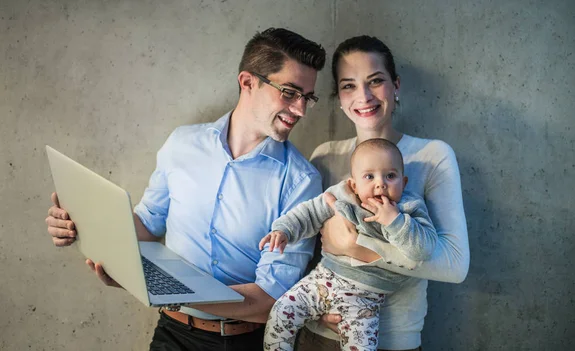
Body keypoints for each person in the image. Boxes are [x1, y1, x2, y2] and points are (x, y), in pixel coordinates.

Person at [44, 28, 327, 351]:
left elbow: (270, 299)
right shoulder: (182, 143)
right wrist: (78, 224)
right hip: (171, 334)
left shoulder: (302, 181)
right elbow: (147, 227)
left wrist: (152, 288)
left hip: (246, 343)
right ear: (247, 82)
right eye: (290, 92)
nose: (301, 109)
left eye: (308, 97)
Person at [295, 36, 470, 351]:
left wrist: (355, 245)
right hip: (318, 337)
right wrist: (313, 309)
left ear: (396, 85)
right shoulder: (324, 157)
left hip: (393, 341)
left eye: (375, 81)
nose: (363, 96)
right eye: (349, 85)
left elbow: (454, 266)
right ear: (338, 96)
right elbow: (304, 252)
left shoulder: (432, 155)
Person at [260, 138, 438, 351]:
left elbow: (424, 250)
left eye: (390, 176)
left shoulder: (410, 208)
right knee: (282, 312)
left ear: (404, 182)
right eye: (369, 177)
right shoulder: (343, 195)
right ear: (354, 184)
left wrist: (394, 220)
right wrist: (284, 230)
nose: (380, 183)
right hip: (323, 280)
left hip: (365, 298)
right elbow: (309, 212)